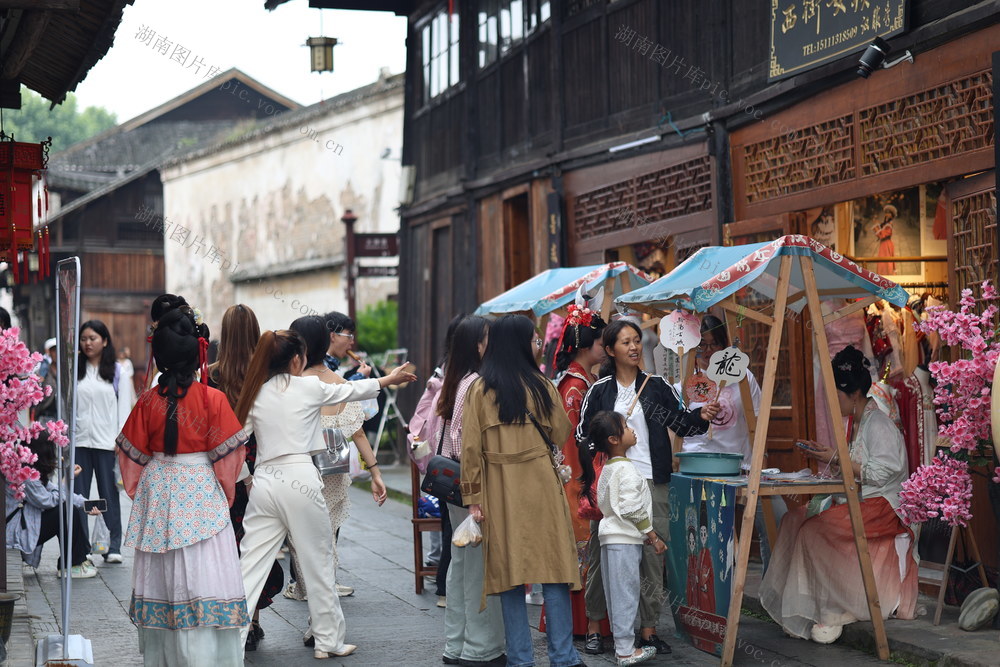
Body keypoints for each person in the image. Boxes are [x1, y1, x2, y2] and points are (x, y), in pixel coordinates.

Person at [235, 330, 415, 659]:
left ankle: (227, 641)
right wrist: (388, 378)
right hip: (300, 475)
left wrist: (246, 478)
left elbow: (233, 445)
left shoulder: (256, 393)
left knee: (250, 565)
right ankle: (327, 641)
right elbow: (351, 389)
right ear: (295, 360)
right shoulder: (307, 386)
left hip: (264, 481)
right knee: (317, 562)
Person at [577, 318, 719, 655]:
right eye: (625, 342)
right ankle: (595, 626)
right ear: (610, 349)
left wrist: (701, 417)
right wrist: (600, 462)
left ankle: (648, 630)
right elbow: (583, 434)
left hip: (653, 482)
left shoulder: (656, 386)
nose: (634, 347)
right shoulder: (600, 390)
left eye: (637, 340)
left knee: (653, 558)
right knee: (601, 555)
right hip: (613, 483)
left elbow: (680, 423)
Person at [116, 306, 250, 665]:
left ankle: (164, 657)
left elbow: (129, 454)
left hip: (159, 488)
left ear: (158, 356)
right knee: (205, 571)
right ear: (197, 353)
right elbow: (230, 460)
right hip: (201, 489)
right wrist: (225, 493)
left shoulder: (147, 400)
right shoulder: (213, 399)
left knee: (161, 574)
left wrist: (147, 487)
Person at [759, 345, 918, 644]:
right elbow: (851, 467)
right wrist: (830, 457)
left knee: (813, 531)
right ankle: (806, 605)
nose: (834, 400)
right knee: (794, 520)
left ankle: (833, 609)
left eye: (838, 394)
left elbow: (883, 472)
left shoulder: (878, 423)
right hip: (857, 499)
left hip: (882, 504)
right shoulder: (853, 423)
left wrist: (836, 457)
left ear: (854, 394)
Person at [461, 314, 584, 667]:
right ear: (520, 344)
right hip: (542, 484)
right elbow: (561, 431)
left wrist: (473, 498)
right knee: (555, 571)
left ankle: (520, 658)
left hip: (500, 488)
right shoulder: (543, 385)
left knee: (509, 575)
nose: (537, 345)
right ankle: (564, 656)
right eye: (533, 340)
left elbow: (471, 448)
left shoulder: (480, 389)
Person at [283, 316, 388, 611]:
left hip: (295, 473)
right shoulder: (339, 384)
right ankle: (322, 603)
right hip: (331, 473)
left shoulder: (287, 384)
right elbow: (357, 433)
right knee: (325, 540)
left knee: (298, 542)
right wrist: (376, 472)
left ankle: (309, 595)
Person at [208, 304, 283, 652]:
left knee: (227, 546)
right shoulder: (268, 373)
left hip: (222, 472)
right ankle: (253, 621)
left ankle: (230, 616)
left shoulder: (209, 375)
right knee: (256, 545)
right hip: (262, 468)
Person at [437, 315, 505, 667]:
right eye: (488, 338)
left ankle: (457, 644)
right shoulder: (476, 383)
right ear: (477, 345)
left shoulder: (458, 380)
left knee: (462, 565)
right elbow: (467, 442)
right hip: (473, 487)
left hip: (457, 488)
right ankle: (480, 648)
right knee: (478, 566)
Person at [578, 411, 661, 667]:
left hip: (611, 538)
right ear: (614, 439)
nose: (632, 428)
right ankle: (625, 651)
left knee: (617, 594)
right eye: (626, 426)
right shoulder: (626, 469)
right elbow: (631, 508)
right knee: (625, 594)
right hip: (624, 540)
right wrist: (652, 534)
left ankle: (622, 647)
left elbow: (606, 505)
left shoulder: (608, 468)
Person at [552, 304, 609, 649]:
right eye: (603, 342)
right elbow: (573, 442)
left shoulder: (581, 381)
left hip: (580, 475)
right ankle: (586, 622)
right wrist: (586, 480)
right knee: (585, 551)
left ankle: (589, 622)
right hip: (578, 478)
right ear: (588, 346)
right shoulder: (574, 387)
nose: (607, 348)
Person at [408, 313, 465, 609]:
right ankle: (447, 586)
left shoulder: (444, 373)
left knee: (449, 525)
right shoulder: (453, 380)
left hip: (442, 464)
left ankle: (445, 585)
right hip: (454, 462)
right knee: (453, 527)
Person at [6, 432, 101, 578]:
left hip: (23, 525)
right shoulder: (25, 475)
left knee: (68, 509)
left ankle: (76, 560)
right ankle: (72, 565)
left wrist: (84, 504)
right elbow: (48, 500)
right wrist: (65, 482)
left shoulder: (30, 470)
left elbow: (53, 491)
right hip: (16, 532)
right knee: (66, 512)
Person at [74, 319, 130, 563]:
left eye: (93, 338)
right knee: (78, 496)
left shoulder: (118, 372)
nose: (88, 343)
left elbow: (124, 409)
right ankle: (80, 546)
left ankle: (113, 546)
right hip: (78, 442)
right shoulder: (74, 370)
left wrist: (121, 437)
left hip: (108, 444)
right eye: (84, 338)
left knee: (109, 495)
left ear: (105, 341)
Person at [874, 205, 897, 275]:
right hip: (884, 244)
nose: (887, 214)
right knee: (883, 262)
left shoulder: (889, 225)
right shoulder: (886, 223)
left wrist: (876, 227)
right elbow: (881, 233)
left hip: (886, 245)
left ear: (892, 215)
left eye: (889, 213)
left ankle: (887, 275)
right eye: (886, 212)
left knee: (886, 262)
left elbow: (882, 235)